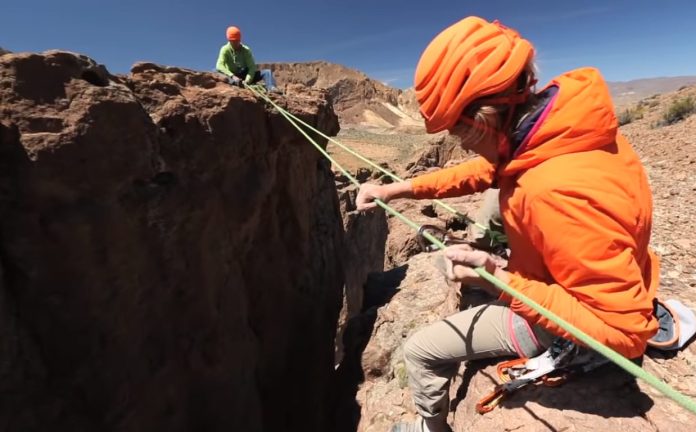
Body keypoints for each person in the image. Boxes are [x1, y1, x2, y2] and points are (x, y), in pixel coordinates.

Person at [355, 16, 660, 432]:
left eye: (461, 132)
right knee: (493, 202)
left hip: (562, 321)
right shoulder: (561, 131)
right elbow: (478, 174)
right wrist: (396, 190)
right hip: (583, 271)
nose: (461, 144)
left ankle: (432, 428)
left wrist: (498, 277)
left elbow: (625, 332)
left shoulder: (553, 191)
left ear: (483, 116)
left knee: (422, 350)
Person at [216, 26, 280, 92]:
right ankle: (235, 83)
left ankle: (271, 87)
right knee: (217, 72)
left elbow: (252, 67)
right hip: (232, 75)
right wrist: (232, 76)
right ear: (229, 40)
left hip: (245, 74)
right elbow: (219, 66)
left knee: (267, 72)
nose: (235, 43)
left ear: (240, 40)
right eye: (233, 41)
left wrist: (247, 81)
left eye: (237, 40)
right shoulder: (224, 49)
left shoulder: (246, 50)